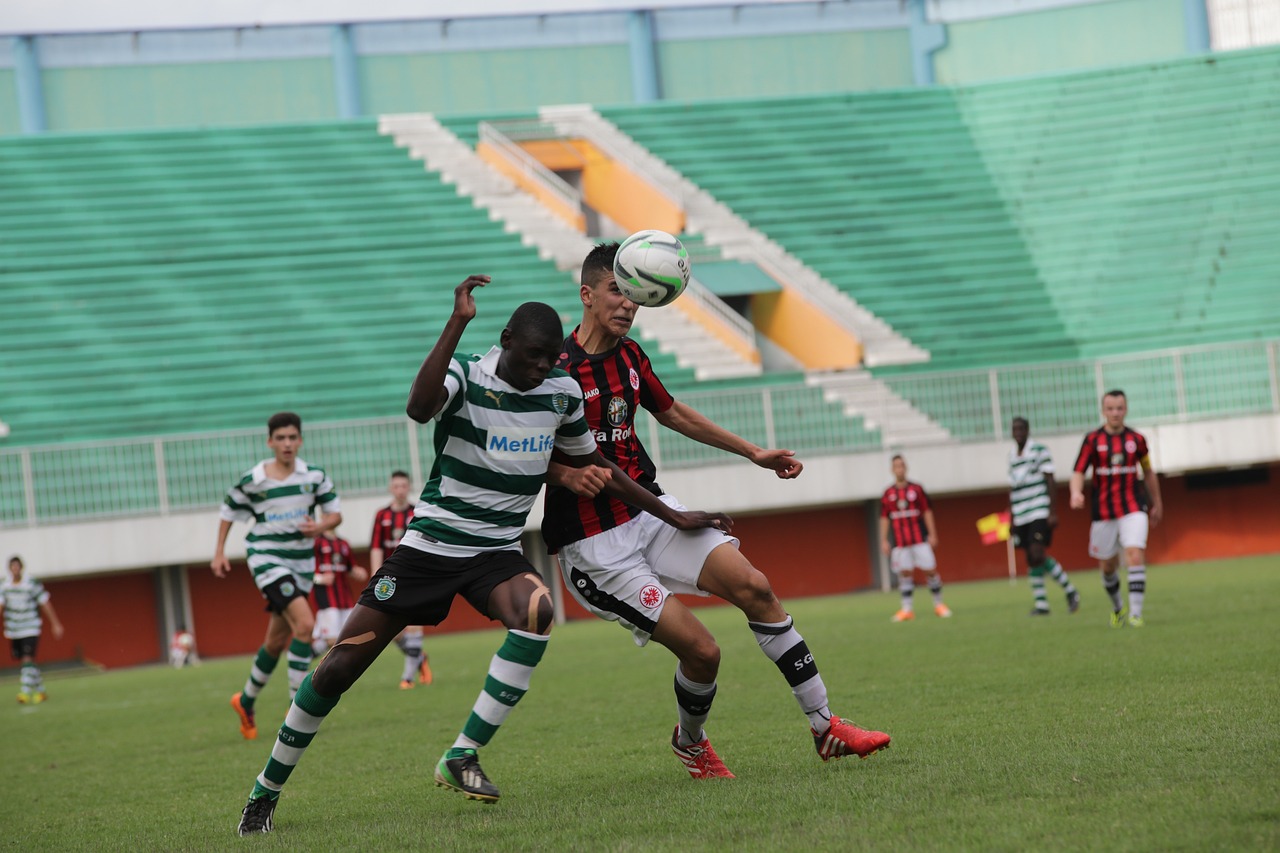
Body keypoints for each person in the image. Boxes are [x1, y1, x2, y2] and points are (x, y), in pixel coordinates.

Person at [236, 275, 730, 835]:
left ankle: (462, 753)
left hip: (494, 551)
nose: (543, 367)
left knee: (538, 610)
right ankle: (266, 791)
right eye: (534, 356)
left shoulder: (561, 393)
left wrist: (675, 516)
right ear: (506, 340)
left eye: (551, 358)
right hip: (430, 547)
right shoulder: (467, 372)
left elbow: (601, 470)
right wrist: (456, 322)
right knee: (340, 667)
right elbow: (420, 408)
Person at [541, 243, 890, 781]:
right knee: (704, 652)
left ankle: (826, 729)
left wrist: (754, 452)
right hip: (595, 547)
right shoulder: (556, 372)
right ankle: (691, 742)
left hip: (651, 516)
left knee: (756, 587)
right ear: (586, 295)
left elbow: (673, 411)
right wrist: (565, 476)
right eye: (617, 288)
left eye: (634, 292)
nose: (629, 302)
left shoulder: (632, 357)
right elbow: (518, 453)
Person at [212, 412, 343, 740]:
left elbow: (335, 514)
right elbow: (228, 511)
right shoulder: (254, 479)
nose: (287, 444)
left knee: (275, 642)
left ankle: (245, 701)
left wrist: (321, 526)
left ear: (300, 440)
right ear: (270, 442)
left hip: (301, 564)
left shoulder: (314, 476)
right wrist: (219, 551)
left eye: (292, 437)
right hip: (267, 560)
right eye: (280, 438)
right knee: (305, 625)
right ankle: (296, 707)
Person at [1069, 390, 1164, 627]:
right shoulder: (1092, 440)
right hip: (1103, 511)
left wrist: (1157, 502)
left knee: (1134, 553)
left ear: (1126, 409)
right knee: (1108, 566)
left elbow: (1148, 472)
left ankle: (1136, 614)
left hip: (1133, 506)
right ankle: (1118, 608)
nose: (1115, 413)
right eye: (1110, 408)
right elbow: (1078, 471)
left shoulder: (1137, 440)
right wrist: (1075, 492)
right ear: (1103, 411)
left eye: (1119, 408)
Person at [1009, 418, 1079, 616]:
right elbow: (1012, 488)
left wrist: (1052, 510)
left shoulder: (1040, 450)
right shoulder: (1011, 456)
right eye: (1015, 429)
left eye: (1021, 428)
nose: (1018, 432)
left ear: (1028, 430)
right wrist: (1012, 517)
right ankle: (1042, 605)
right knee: (1031, 558)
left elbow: (1050, 479)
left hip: (1038, 509)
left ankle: (1070, 590)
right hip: (1021, 513)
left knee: (1037, 552)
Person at [370, 470, 433, 689]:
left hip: (414, 576)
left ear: (408, 487)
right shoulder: (382, 515)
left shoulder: (418, 512)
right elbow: (376, 547)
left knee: (414, 625)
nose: (400, 490)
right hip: (389, 579)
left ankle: (407, 678)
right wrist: (375, 576)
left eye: (403, 486)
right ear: (390, 488)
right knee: (393, 631)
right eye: (396, 486)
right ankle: (420, 658)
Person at [880, 455, 951, 622]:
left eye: (902, 465)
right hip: (900, 542)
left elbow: (927, 511)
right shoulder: (888, 493)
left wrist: (933, 533)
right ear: (892, 469)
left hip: (919, 540)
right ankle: (907, 609)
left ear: (906, 467)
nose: (899, 469)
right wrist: (883, 539)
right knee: (905, 574)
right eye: (896, 466)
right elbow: (884, 517)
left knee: (930, 570)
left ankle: (939, 604)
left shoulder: (917, 489)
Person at [1, 556, 65, 704]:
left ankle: (25, 692)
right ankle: (41, 692)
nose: (15, 569)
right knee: (25, 661)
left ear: (21, 567)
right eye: (13, 567)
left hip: (30, 627)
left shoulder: (31, 583)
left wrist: (55, 623)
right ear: (9, 569)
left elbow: (45, 602)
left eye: (17, 566)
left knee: (27, 659)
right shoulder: (4, 586)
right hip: (14, 629)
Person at [309, 529, 369, 656]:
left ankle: (309, 656)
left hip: (345, 597)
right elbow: (305, 569)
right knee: (332, 639)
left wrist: (357, 572)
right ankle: (306, 657)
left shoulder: (343, 543)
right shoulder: (315, 543)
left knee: (347, 636)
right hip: (326, 598)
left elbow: (350, 567)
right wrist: (319, 578)